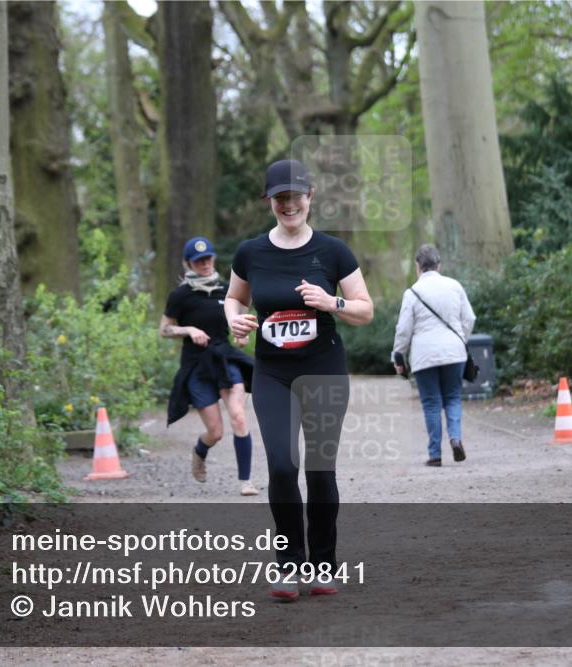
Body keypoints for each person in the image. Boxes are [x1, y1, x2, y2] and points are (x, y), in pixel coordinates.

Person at [225, 159, 374, 601]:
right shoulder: (251, 253)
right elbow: (233, 299)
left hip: (323, 369)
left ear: (311, 198)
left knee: (320, 470)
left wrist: (332, 302)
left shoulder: (333, 252)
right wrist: (235, 320)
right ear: (270, 202)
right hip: (272, 373)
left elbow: (365, 310)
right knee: (283, 467)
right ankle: (289, 566)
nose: (288, 204)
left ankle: (323, 565)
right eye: (279, 197)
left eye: (296, 196)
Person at [161, 236, 258, 496]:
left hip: (225, 359)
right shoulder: (180, 295)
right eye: (198, 260)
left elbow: (237, 322)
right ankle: (200, 451)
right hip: (197, 366)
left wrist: (241, 334)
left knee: (238, 415)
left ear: (214, 258)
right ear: (188, 263)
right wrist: (189, 329)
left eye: (208, 258)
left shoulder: (227, 291)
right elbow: (164, 329)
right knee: (215, 432)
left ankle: (246, 481)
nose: (205, 264)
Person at [392, 244, 475, 467]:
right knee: (453, 398)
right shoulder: (454, 286)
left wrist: (398, 355)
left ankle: (435, 454)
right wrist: (460, 339)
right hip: (454, 353)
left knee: (431, 404)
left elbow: (403, 330)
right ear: (439, 265)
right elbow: (469, 318)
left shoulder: (412, 293)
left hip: (424, 355)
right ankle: (455, 438)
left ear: (418, 267)